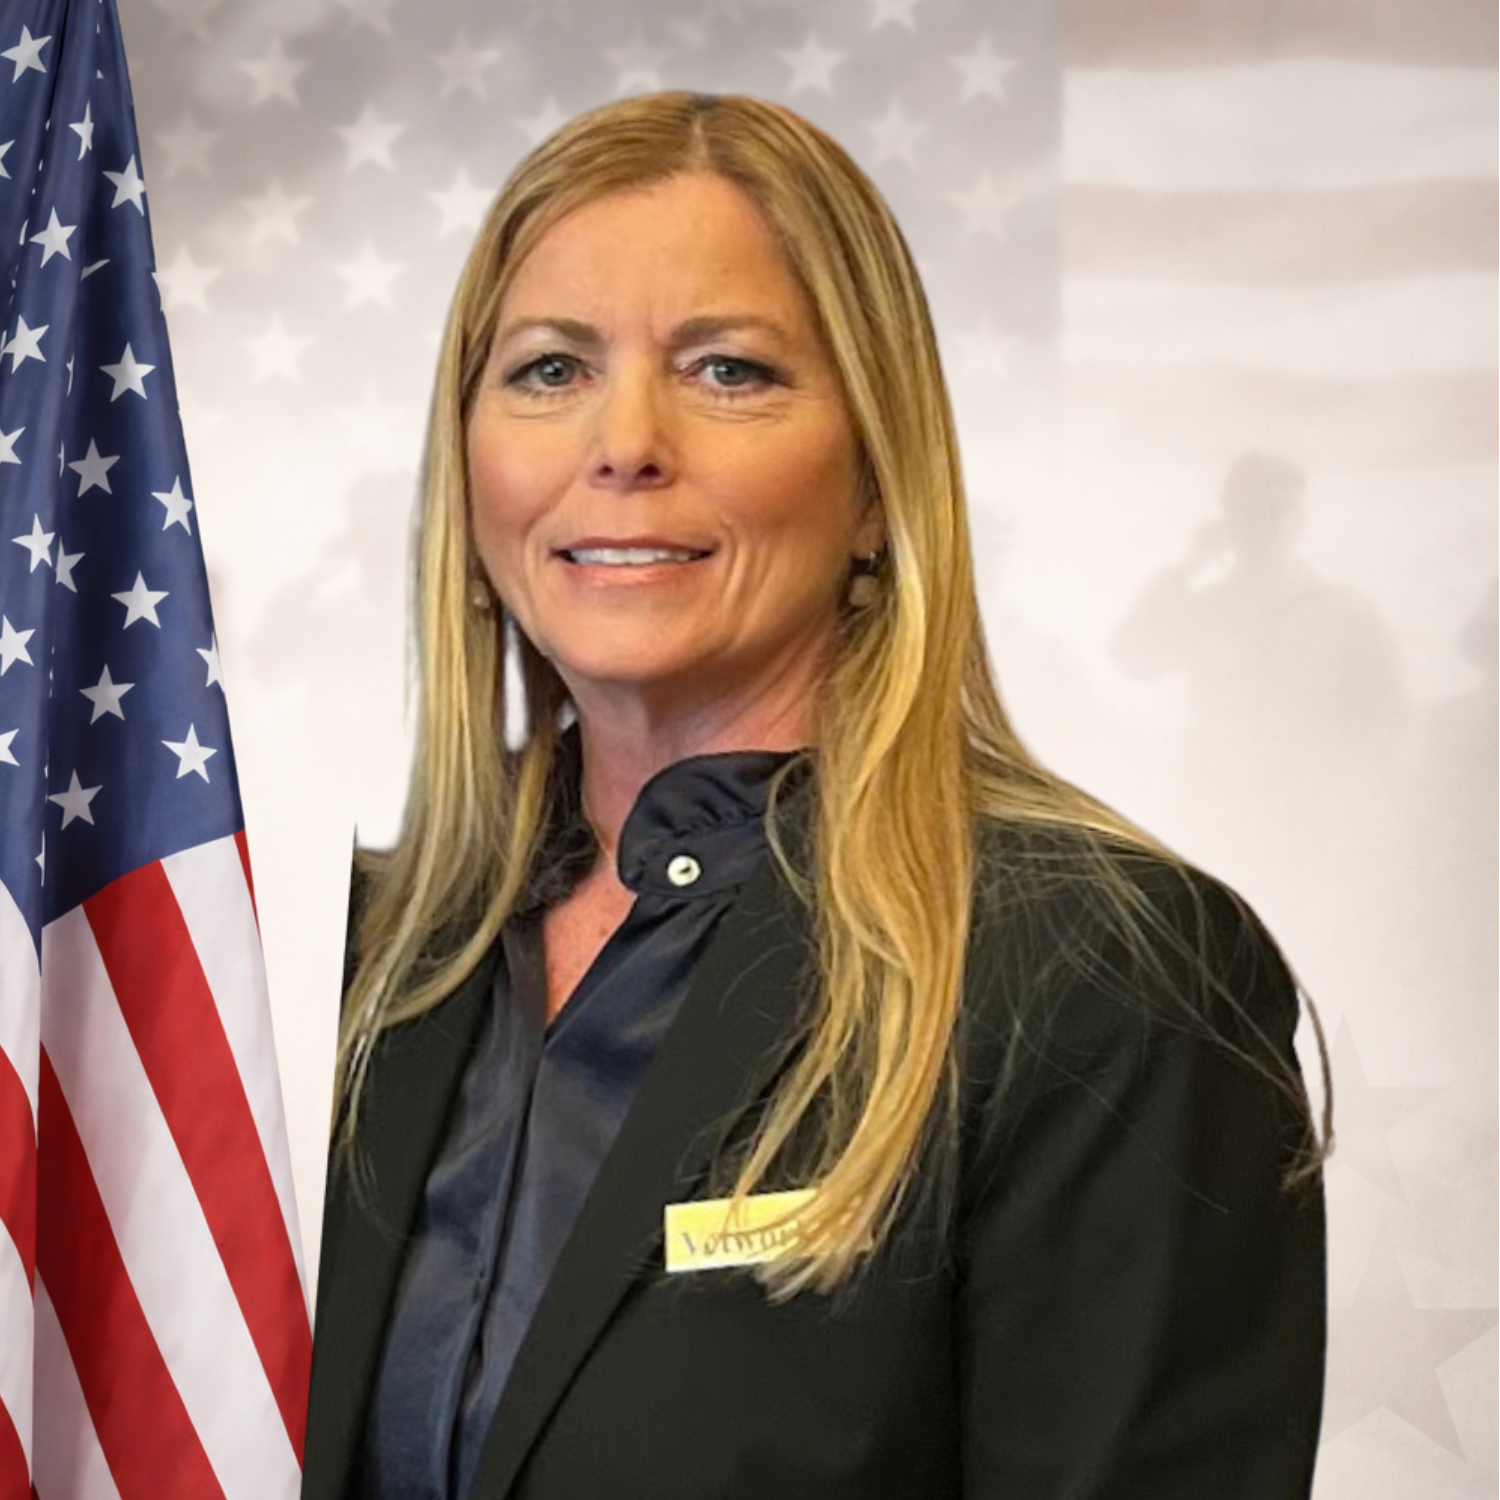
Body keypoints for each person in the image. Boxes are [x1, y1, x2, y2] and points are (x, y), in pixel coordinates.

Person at [302, 92, 1327, 1500]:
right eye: (548, 370)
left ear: (873, 482)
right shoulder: (361, 966)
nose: (625, 441)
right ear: (469, 470)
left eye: (728, 371)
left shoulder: (1102, 974)